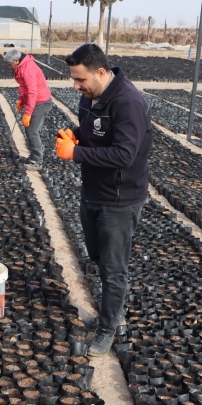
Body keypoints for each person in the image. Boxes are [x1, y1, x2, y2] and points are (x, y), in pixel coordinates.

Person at [54, 44, 152, 356]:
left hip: (120, 199)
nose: (76, 86)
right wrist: (74, 135)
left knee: (113, 267)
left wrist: (76, 153)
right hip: (93, 192)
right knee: (97, 257)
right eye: (74, 79)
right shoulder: (90, 97)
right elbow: (92, 133)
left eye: (80, 79)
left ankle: (109, 327)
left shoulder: (127, 102)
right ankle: (112, 311)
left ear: (100, 72)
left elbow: (124, 154)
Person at [4, 48, 53, 172]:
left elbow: (32, 92)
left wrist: (28, 113)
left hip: (41, 102)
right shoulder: (20, 66)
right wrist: (22, 100)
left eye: (10, 64)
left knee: (32, 131)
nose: (9, 67)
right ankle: (33, 157)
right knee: (30, 130)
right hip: (37, 101)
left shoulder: (28, 69)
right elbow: (24, 86)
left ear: (16, 60)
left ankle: (37, 161)